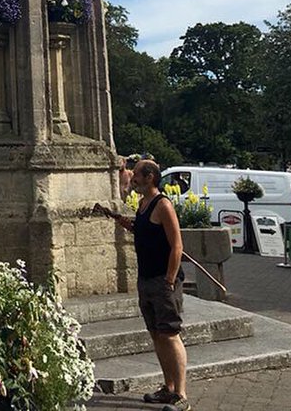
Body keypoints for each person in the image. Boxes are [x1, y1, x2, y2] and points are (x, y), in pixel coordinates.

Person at [111, 159, 189, 411]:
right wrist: (129, 225)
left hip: (162, 280)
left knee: (170, 334)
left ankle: (181, 394)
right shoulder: (143, 205)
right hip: (145, 279)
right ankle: (168, 388)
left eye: (137, 175)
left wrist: (169, 279)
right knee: (157, 335)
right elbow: (146, 232)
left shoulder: (162, 204)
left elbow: (177, 246)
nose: (132, 178)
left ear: (150, 178)